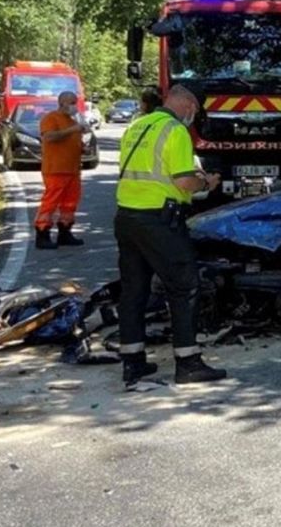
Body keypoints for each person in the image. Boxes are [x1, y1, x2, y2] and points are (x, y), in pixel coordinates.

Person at [113, 85, 227, 385]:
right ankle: (188, 362)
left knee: (134, 290)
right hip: (159, 220)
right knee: (185, 285)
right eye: (196, 110)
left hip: (126, 216)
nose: (195, 116)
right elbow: (184, 182)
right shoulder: (175, 131)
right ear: (188, 103)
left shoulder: (138, 125)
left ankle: (133, 362)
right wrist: (207, 183)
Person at [34, 91, 87, 250]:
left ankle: (65, 232)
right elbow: (49, 137)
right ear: (62, 102)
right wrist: (73, 130)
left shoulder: (71, 121)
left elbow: (70, 141)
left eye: (75, 103)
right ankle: (42, 233)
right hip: (56, 169)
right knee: (50, 203)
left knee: (70, 203)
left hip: (72, 169)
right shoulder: (50, 118)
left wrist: (81, 147)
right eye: (71, 102)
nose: (74, 106)